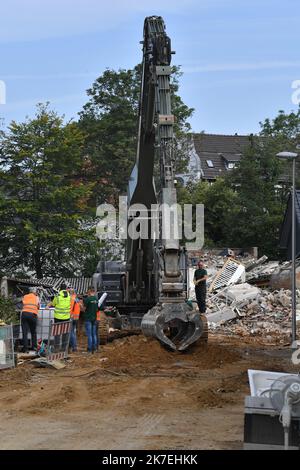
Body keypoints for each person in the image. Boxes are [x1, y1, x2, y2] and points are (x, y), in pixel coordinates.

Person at [49, 283, 71, 351]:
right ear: (66, 288)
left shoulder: (57, 295)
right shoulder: (69, 296)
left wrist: (48, 305)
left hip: (58, 317)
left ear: (60, 288)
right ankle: (64, 349)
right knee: (65, 333)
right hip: (66, 317)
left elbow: (53, 303)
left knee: (57, 333)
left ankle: (56, 348)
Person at [21, 287, 40, 353]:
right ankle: (34, 347)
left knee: (25, 332)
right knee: (33, 332)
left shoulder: (25, 296)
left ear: (29, 291)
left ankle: (25, 349)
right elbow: (38, 307)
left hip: (24, 314)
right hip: (33, 315)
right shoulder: (37, 297)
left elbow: (22, 304)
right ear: (34, 292)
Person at [83, 287, 98, 353]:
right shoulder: (96, 299)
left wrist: (80, 305)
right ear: (94, 292)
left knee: (89, 335)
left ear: (89, 292)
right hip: (94, 318)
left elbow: (84, 309)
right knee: (94, 334)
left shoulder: (88, 299)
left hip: (88, 318)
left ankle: (89, 348)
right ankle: (94, 348)